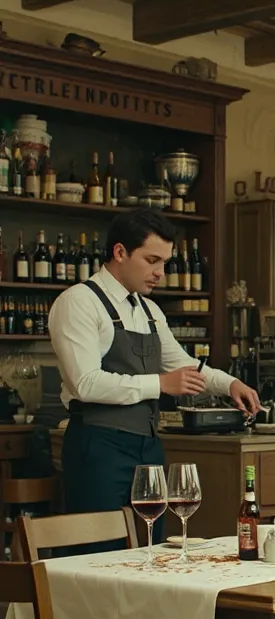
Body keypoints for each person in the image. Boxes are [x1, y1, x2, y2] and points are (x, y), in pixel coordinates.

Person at [49, 210, 260, 533]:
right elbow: (85, 383)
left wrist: (230, 384)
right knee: (101, 550)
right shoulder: (79, 302)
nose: (160, 272)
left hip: (148, 446)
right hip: (98, 446)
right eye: (152, 260)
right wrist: (160, 384)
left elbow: (182, 364)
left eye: (164, 262)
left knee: (153, 545)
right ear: (120, 252)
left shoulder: (149, 310)